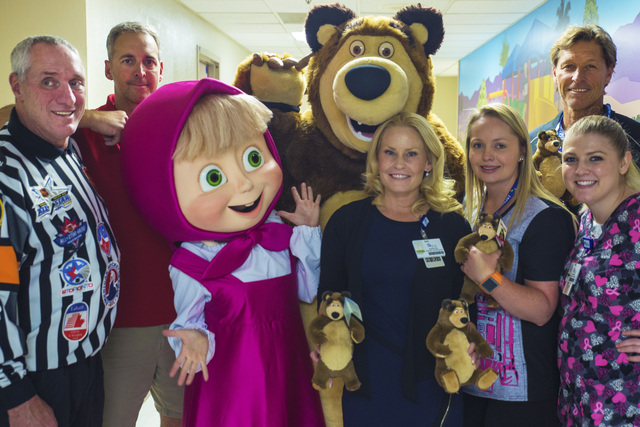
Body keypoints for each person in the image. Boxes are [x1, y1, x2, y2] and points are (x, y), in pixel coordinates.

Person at [119, 78, 325, 426]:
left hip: (287, 370)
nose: (245, 184)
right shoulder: (192, 263)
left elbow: (306, 290)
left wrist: (306, 232)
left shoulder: (278, 237)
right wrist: (195, 339)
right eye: (213, 177)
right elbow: (189, 323)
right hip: (234, 386)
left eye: (253, 157)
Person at [319, 112, 471, 426]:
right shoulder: (346, 222)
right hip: (366, 379)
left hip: (433, 377)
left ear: (428, 162)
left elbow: (465, 299)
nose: (399, 164)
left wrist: (469, 344)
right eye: (390, 152)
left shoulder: (452, 226)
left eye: (411, 154)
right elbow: (328, 294)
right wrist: (326, 339)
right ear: (376, 159)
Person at [0, 36, 120, 426]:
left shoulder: (65, 146)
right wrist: (16, 396)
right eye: (49, 81)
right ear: (16, 86)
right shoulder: (5, 175)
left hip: (83, 365)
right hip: (35, 382)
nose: (69, 96)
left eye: (77, 82)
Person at [71, 22, 183, 427]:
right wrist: (85, 120)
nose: (140, 70)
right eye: (128, 60)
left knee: (182, 416)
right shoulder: (81, 132)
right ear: (108, 69)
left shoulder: (181, 130)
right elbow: (10, 121)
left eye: (148, 61)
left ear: (161, 69)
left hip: (183, 314)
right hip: (117, 321)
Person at [461, 103, 575, 427]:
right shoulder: (465, 216)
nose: (487, 156)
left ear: (522, 151)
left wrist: (488, 276)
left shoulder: (545, 217)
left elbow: (542, 310)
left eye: (500, 146)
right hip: (470, 387)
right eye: (478, 145)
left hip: (524, 399)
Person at [558, 115, 640, 426]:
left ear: (623, 163)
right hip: (579, 402)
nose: (580, 170)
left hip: (625, 408)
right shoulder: (587, 223)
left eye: (595, 158)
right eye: (571, 159)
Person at [529, 25, 640, 161]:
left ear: (608, 74)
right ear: (554, 74)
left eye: (590, 67)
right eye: (569, 66)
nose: (577, 77)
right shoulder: (530, 143)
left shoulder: (636, 138)